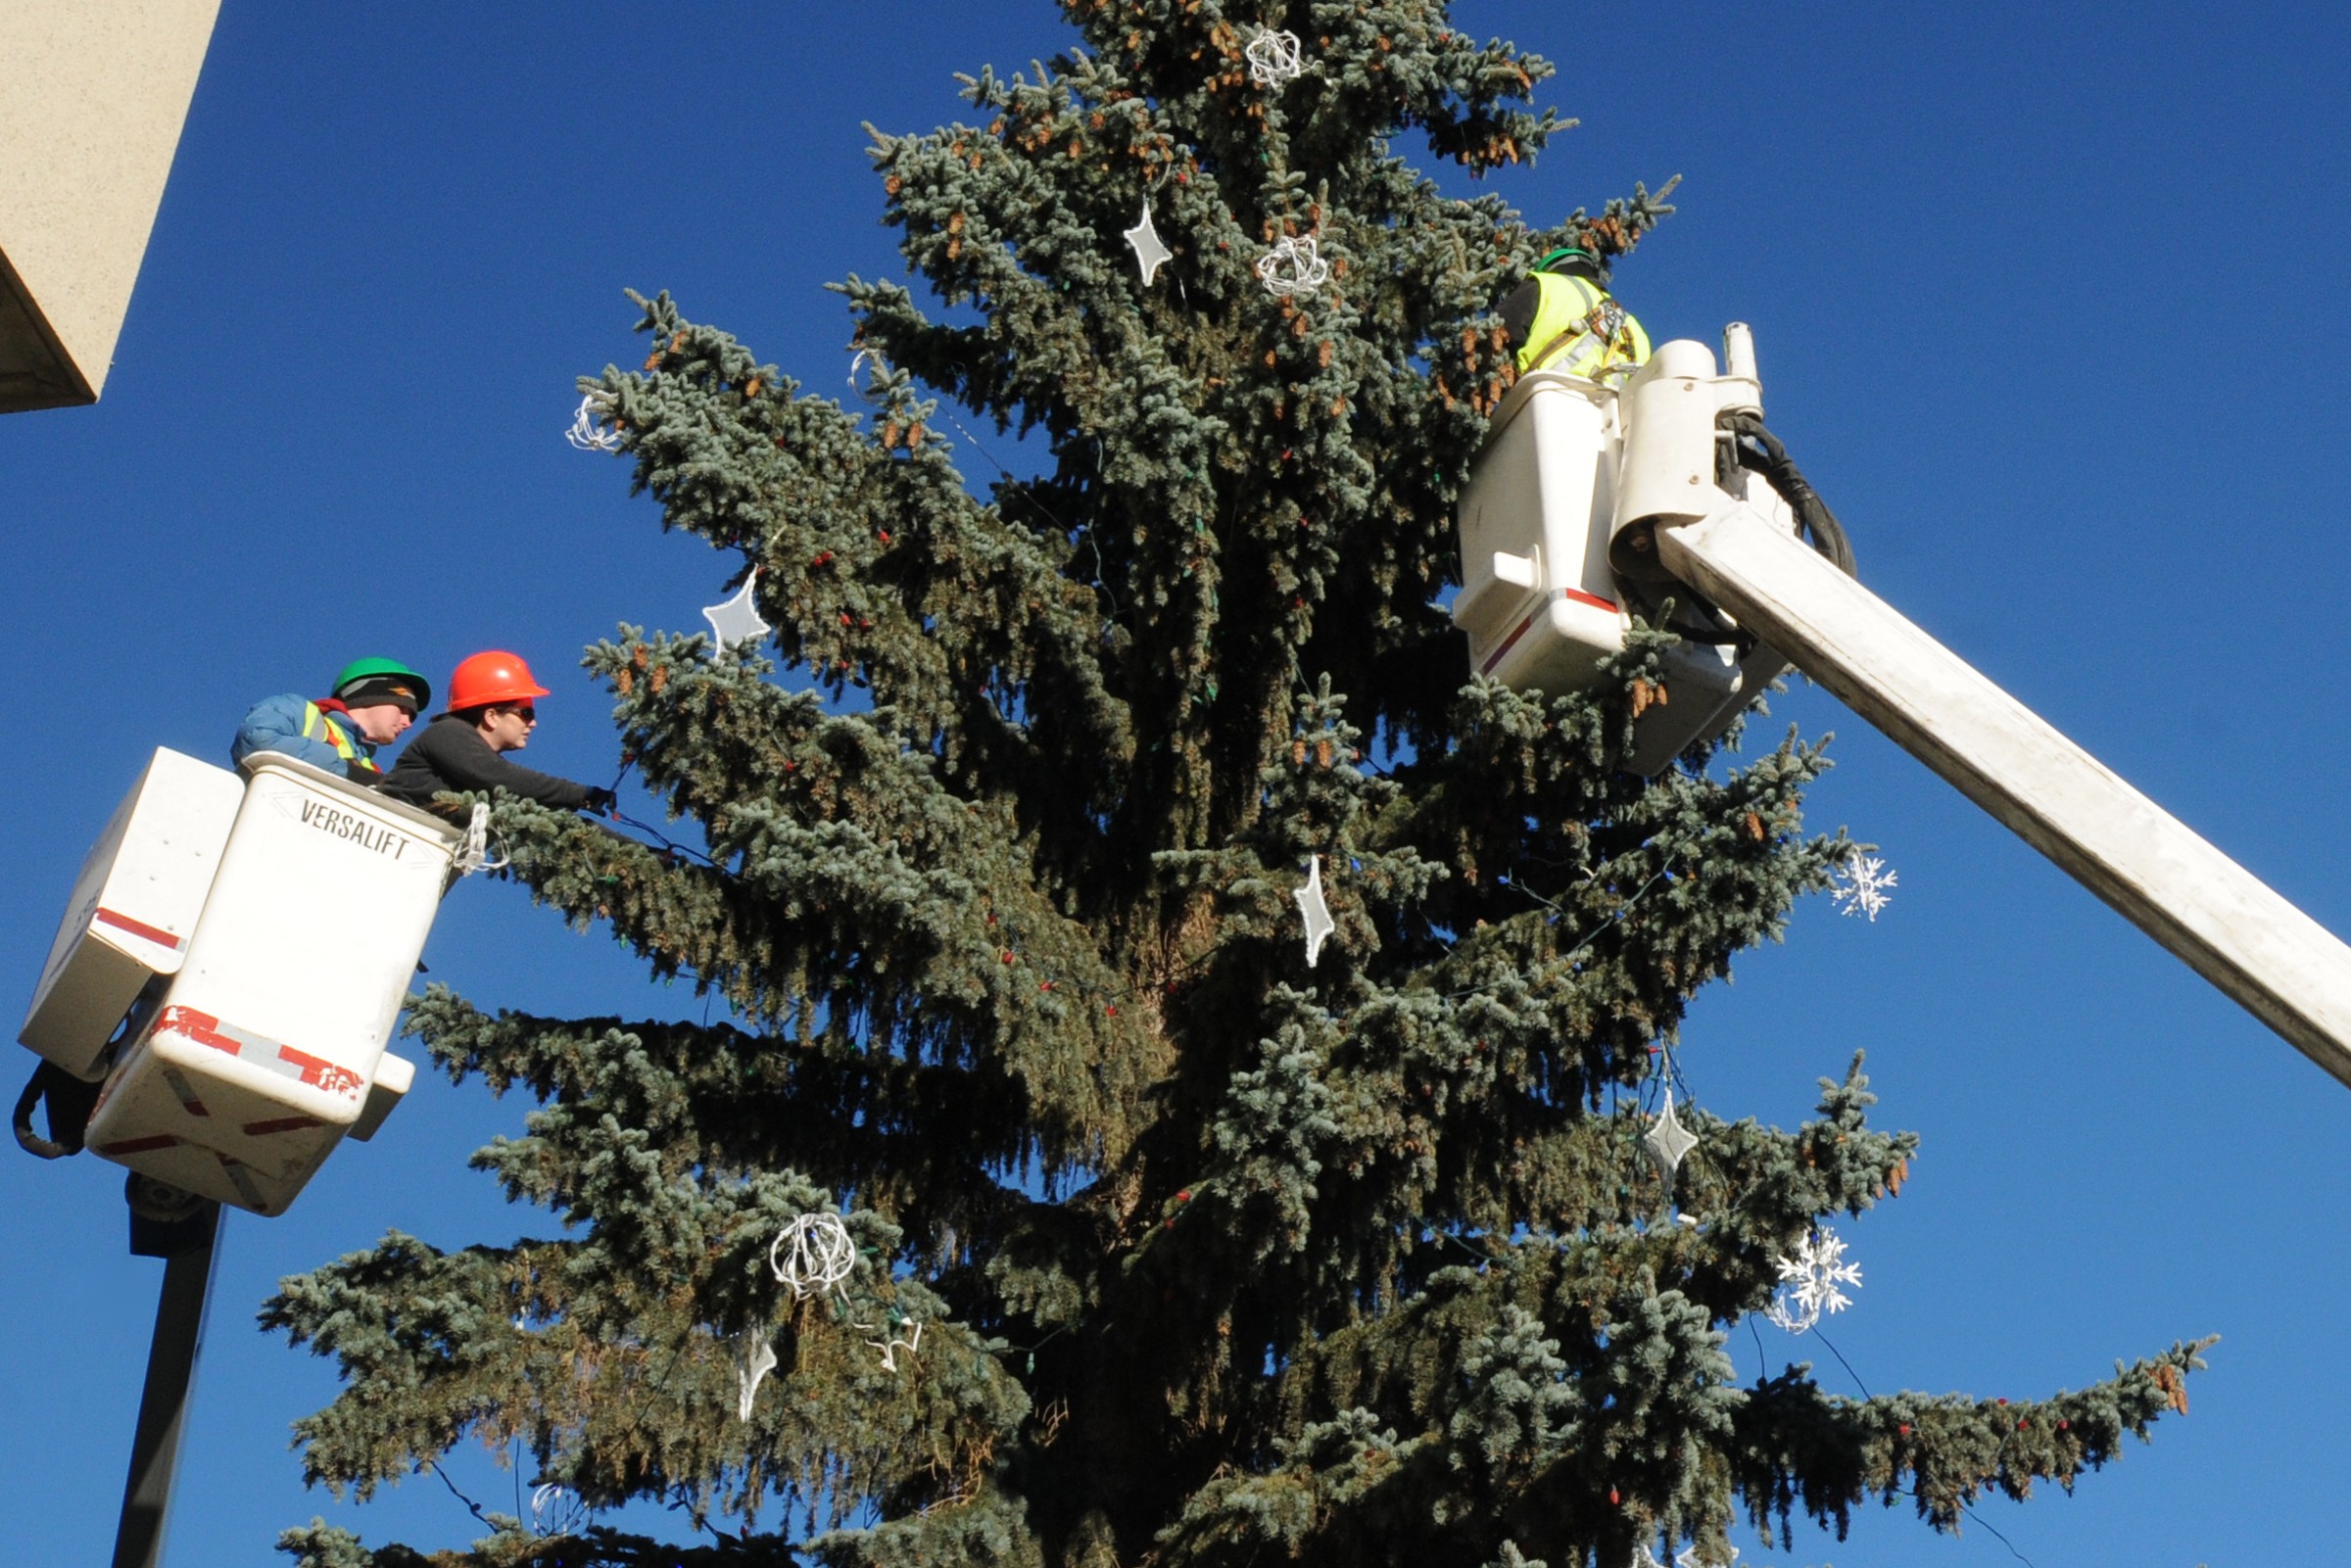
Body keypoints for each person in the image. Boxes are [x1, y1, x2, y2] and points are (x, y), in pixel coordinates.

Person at [378, 650, 616, 814]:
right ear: (491, 716)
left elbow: (533, 809)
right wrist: (581, 793)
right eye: (526, 713)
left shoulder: (471, 760)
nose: (533, 724)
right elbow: (501, 777)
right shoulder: (447, 733)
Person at [230, 658, 430, 781]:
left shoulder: (371, 769)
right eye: (403, 709)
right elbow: (257, 740)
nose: (408, 722)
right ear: (371, 697)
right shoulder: (299, 711)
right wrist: (347, 771)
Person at [1497, 244, 1652, 380]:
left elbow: (1498, 330)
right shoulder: (1632, 323)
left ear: (1548, 269)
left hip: (1553, 396)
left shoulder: (1544, 285)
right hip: (1623, 407)